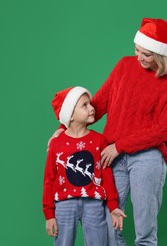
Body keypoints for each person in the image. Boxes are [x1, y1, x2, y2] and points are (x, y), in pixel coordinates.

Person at [51, 18, 167, 246]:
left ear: (161, 55)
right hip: (112, 156)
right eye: (137, 50)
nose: (140, 57)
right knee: (108, 226)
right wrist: (65, 128)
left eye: (147, 54)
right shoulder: (124, 65)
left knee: (144, 230)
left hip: (146, 157)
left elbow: (163, 131)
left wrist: (120, 146)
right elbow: (99, 104)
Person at [43, 86, 126, 246]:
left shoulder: (99, 141)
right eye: (84, 105)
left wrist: (113, 206)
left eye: (90, 104)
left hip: (94, 203)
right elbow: (49, 179)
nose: (91, 108)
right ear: (70, 115)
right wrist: (49, 214)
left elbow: (106, 175)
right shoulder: (56, 144)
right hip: (64, 204)